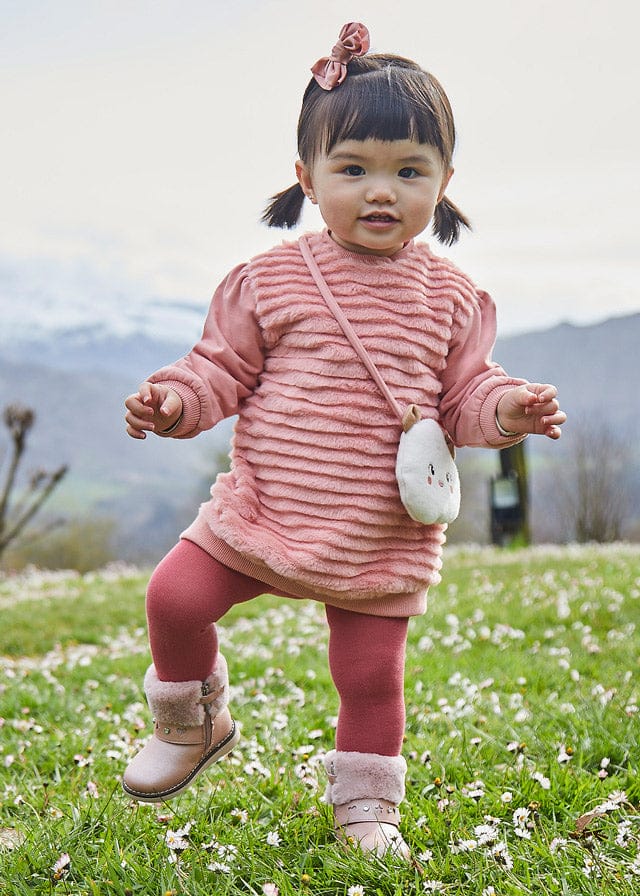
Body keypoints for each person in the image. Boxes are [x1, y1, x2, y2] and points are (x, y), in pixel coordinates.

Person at [122, 22, 566, 859]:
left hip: (378, 532)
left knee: (371, 679)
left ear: (444, 181)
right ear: (306, 177)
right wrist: (174, 402)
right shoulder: (269, 280)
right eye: (353, 167)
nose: (381, 191)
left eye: (409, 170)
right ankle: (193, 723)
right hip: (263, 509)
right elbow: (219, 368)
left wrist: (508, 412)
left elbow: (468, 395)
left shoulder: (453, 299)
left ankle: (367, 808)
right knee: (175, 599)